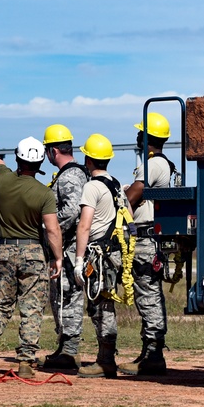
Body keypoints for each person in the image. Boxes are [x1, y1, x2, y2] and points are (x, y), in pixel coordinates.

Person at [0, 137, 62, 379]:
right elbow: (52, 230)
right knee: (31, 310)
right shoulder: (44, 194)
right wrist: (58, 258)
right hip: (33, 254)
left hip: (5, 252)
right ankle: (26, 363)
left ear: (18, 159)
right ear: (40, 162)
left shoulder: (2, 180)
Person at [73, 134, 135, 378]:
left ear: (88, 160)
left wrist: (79, 262)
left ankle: (106, 360)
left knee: (102, 305)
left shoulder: (91, 187)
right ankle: (105, 356)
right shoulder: (116, 184)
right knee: (103, 303)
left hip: (100, 253)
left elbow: (84, 226)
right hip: (117, 251)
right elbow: (129, 214)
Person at [119, 111, 174, 375]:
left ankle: (153, 355)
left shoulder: (152, 165)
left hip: (144, 239)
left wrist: (116, 207)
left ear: (147, 137)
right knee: (147, 295)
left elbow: (133, 195)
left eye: (141, 132)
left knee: (148, 296)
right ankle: (149, 352)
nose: (137, 136)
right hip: (152, 238)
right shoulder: (163, 164)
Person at [40, 124, 89, 371]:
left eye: (48, 150)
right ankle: (64, 346)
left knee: (67, 297)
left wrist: (48, 225)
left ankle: (69, 351)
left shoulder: (69, 176)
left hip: (69, 249)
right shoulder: (76, 173)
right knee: (61, 297)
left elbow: (71, 211)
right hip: (68, 247)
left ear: (54, 151)